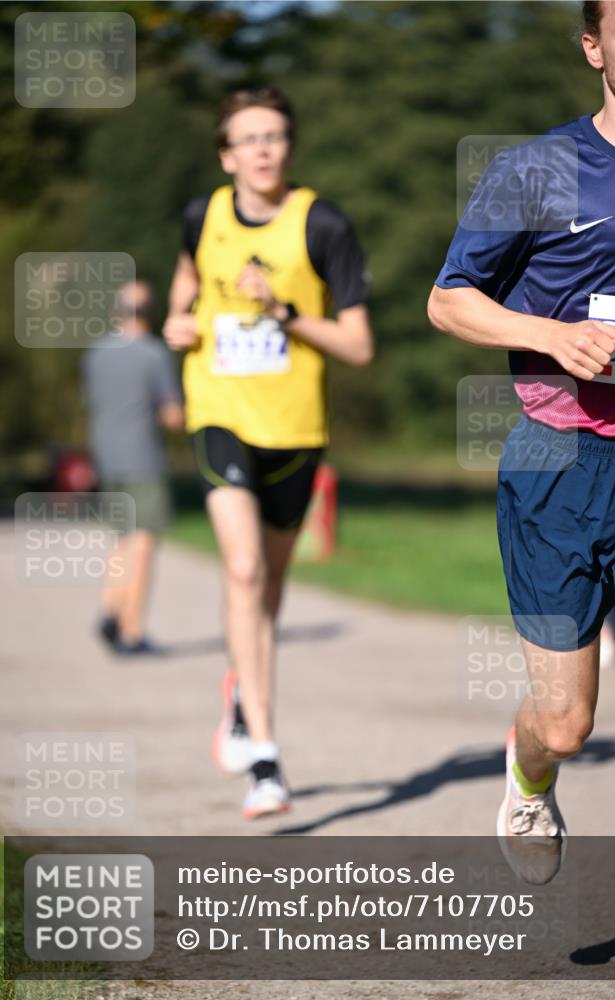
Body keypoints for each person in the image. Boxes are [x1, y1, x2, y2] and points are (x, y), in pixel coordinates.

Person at [428, 0, 615, 883]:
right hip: (557, 467)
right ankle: (528, 772)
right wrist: (552, 336)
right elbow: (448, 300)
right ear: (595, 47)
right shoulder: (539, 170)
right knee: (566, 725)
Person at [163, 87, 373, 819]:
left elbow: (357, 344)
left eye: (274, 136)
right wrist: (177, 321)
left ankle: (239, 690)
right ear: (225, 154)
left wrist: (283, 311)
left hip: (294, 429)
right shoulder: (202, 216)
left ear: (289, 147)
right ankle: (266, 759)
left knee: (268, 592)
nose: (261, 149)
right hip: (217, 412)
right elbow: (185, 286)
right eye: (247, 138)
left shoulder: (323, 224)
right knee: (243, 569)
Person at [83, 280, 184, 654]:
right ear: (150, 313)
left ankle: (110, 609)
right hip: (143, 457)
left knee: (121, 539)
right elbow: (172, 414)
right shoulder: (153, 354)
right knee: (144, 543)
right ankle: (132, 631)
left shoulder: (95, 353)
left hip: (107, 457)